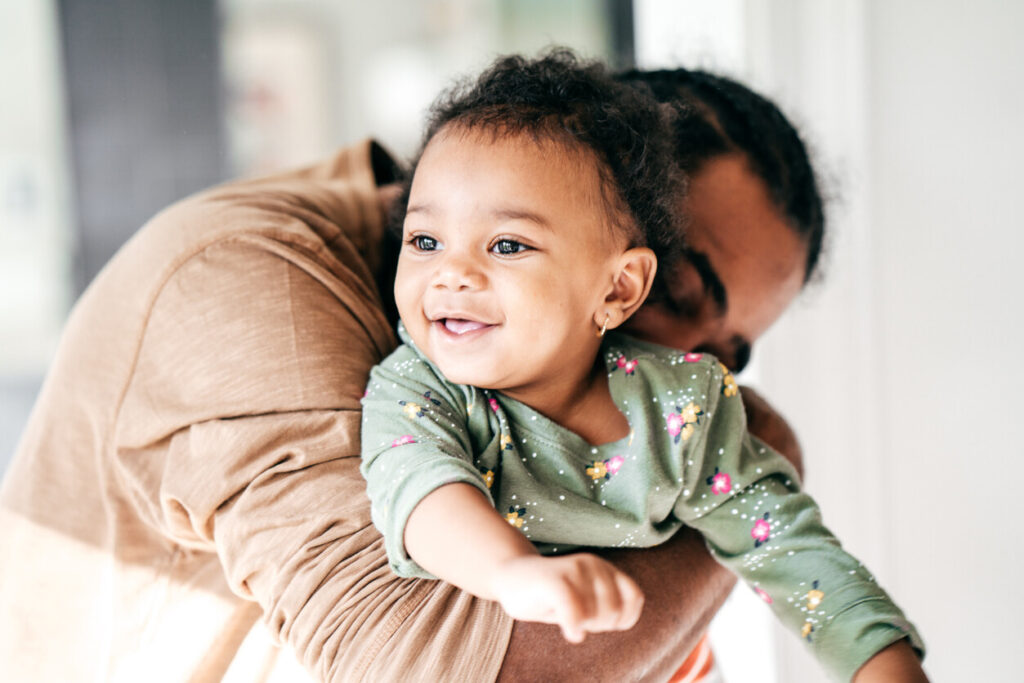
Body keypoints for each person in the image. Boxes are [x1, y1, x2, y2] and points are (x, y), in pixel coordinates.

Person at [0, 49, 829, 683]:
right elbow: (414, 668)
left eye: (729, 356)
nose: (703, 377)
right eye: (675, 294)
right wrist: (762, 457)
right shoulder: (244, 279)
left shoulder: (549, 404)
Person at [360, 52, 925, 682]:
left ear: (619, 285)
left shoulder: (687, 406)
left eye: (508, 245)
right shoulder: (422, 389)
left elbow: (790, 548)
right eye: (425, 242)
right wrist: (510, 571)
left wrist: (882, 660)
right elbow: (420, 488)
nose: (452, 272)